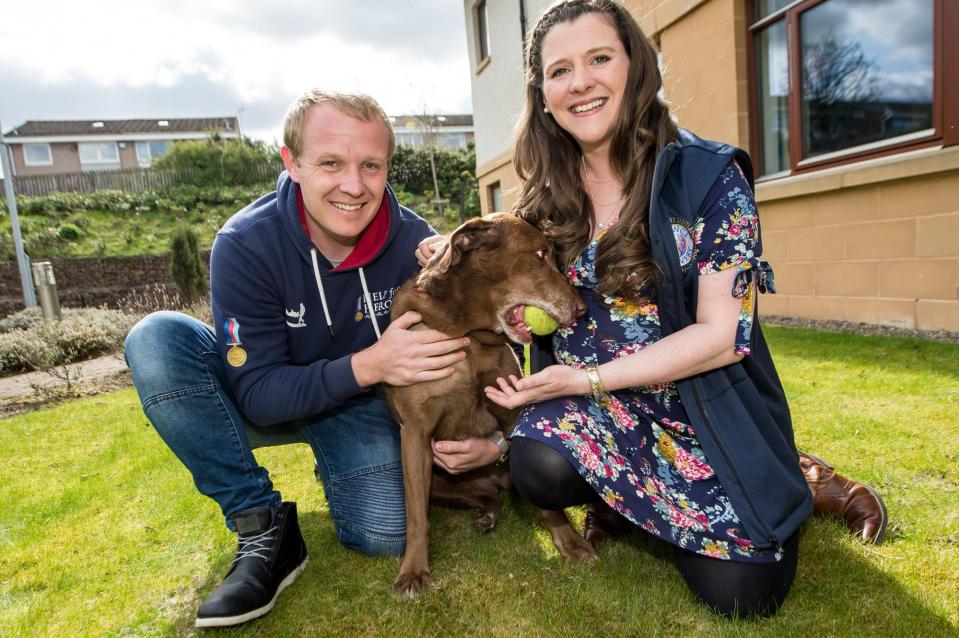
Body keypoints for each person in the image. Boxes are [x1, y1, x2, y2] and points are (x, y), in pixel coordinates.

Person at [459, 0, 888, 618]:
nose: (580, 82)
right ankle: (622, 499)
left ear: (635, 66)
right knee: (538, 468)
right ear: (542, 93)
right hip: (599, 411)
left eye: (599, 58)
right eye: (560, 70)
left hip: (699, 407)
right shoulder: (545, 198)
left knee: (743, 599)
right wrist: (521, 315)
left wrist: (586, 376)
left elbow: (721, 337)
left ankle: (803, 477)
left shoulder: (709, 177)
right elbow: (533, 297)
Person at [124, 89, 470, 628]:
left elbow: (474, 336)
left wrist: (491, 436)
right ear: (292, 162)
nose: (353, 186)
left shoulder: (417, 242)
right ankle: (260, 523)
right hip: (256, 391)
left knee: (385, 535)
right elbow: (260, 397)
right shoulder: (244, 243)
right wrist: (372, 364)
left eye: (371, 165)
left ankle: (336, 462)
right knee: (155, 339)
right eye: (330, 163)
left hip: (355, 405)